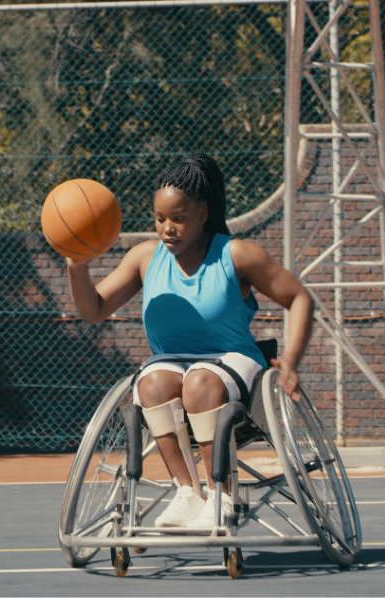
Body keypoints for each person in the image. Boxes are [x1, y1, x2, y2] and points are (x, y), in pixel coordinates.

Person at [66, 154, 313, 528]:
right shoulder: (145, 257)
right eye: (160, 218)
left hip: (231, 361)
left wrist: (291, 361)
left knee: (199, 381)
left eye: (178, 219)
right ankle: (186, 491)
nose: (167, 228)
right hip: (173, 363)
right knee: (150, 383)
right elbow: (95, 309)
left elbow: (299, 298)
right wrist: (77, 268)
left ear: (203, 212)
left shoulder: (236, 255)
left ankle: (221, 494)